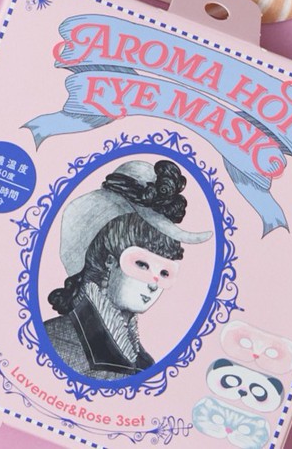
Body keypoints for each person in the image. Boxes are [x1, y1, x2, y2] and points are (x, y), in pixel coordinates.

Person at [42, 159, 211, 381]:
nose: (153, 285)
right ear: (108, 261)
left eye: (164, 273)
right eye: (141, 264)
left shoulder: (143, 362)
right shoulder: (56, 344)